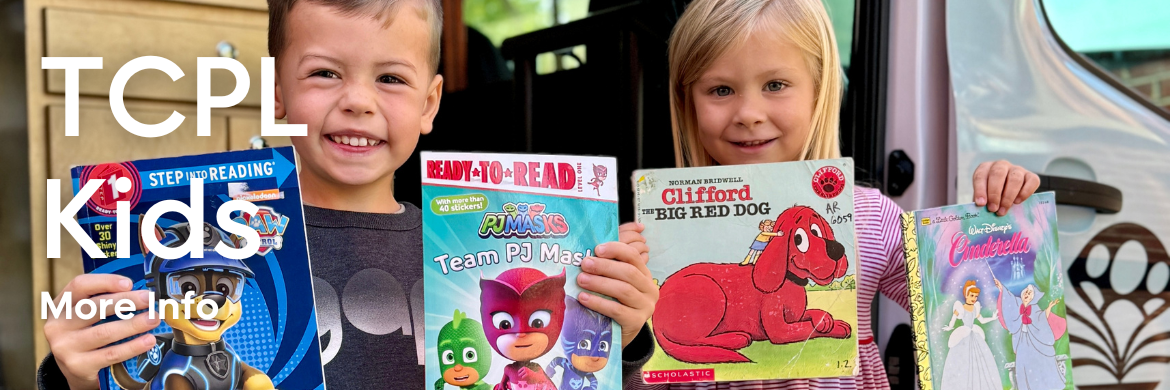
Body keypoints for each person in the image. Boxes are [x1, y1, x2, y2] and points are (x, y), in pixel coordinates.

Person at [37, 0, 657, 388]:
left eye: (390, 78)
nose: (357, 100)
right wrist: (79, 373)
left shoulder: (468, 248)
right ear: (276, 95)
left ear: (430, 104)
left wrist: (618, 342)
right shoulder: (211, 243)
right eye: (325, 73)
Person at [623, 0, 1040, 388]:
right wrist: (625, 335)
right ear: (686, 101)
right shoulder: (649, 242)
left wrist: (1000, 225)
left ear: (819, 90)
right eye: (721, 90)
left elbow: (965, 305)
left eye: (775, 84)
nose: (748, 114)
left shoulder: (870, 217)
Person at [995, 279, 1066, 390]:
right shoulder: (1017, 304)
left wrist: (1048, 309)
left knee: (1036, 364)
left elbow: (1041, 318)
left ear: (1033, 297)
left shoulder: (1035, 308)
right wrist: (1001, 287)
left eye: (1030, 293)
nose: (1027, 294)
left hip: (1034, 342)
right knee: (1023, 366)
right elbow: (1008, 299)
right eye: (1026, 292)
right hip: (1022, 342)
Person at [940, 280, 1001, 390]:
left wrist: (992, 318)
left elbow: (981, 320)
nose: (974, 298)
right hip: (964, 336)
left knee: (980, 361)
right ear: (966, 295)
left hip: (974, 336)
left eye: (976, 296)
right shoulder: (960, 307)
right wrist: (949, 327)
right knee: (963, 361)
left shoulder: (975, 307)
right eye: (972, 295)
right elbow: (953, 319)